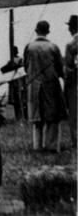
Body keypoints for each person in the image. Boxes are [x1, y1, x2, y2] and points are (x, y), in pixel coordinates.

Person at [23, 20, 66, 151]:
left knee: (37, 117)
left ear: (36, 31)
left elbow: (26, 67)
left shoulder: (29, 47)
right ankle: (52, 146)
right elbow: (60, 68)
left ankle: (37, 146)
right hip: (51, 85)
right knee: (53, 116)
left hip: (34, 85)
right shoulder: (53, 47)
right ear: (48, 31)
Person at [0, 46, 26, 120]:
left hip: (18, 82)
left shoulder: (20, 59)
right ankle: (17, 117)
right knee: (14, 101)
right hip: (13, 82)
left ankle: (21, 117)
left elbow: (22, 69)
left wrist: (15, 66)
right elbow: (3, 69)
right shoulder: (10, 61)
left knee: (20, 100)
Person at [64, 14, 77, 147]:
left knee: (74, 113)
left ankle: (76, 141)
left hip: (75, 84)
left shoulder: (70, 45)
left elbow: (68, 68)